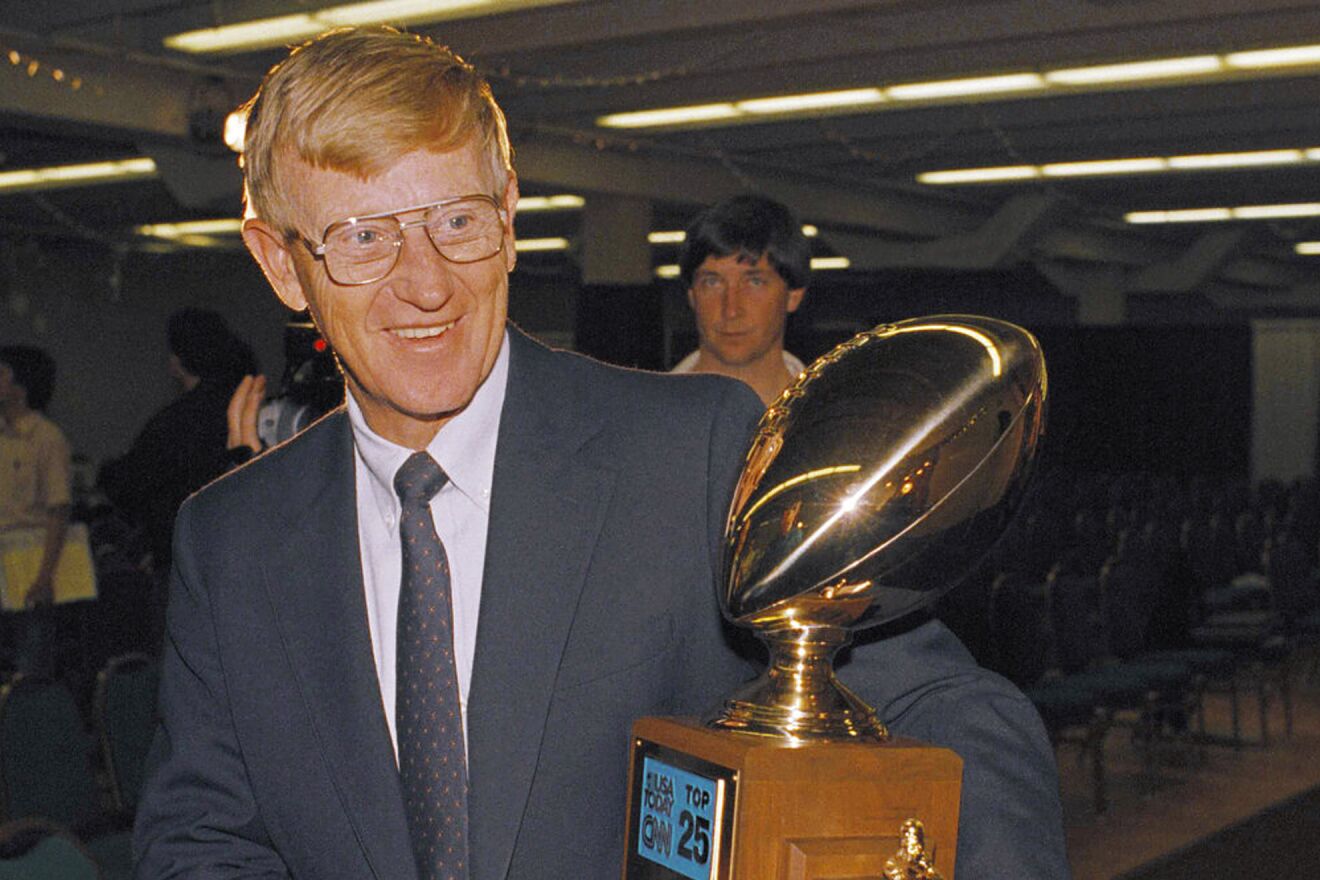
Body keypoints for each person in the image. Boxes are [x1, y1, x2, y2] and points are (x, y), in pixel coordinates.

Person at [133, 26, 1069, 880]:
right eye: (364, 239)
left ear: (507, 214)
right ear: (280, 263)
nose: (424, 285)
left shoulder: (693, 456)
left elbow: (949, 716)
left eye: (455, 220)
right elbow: (204, 839)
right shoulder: (230, 541)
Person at [97, 308, 258, 578]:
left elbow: (130, 481)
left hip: (182, 556)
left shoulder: (177, 421)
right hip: (237, 548)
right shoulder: (246, 404)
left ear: (178, 359)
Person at [671, 194, 809, 406]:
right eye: (712, 283)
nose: (731, 309)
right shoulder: (644, 420)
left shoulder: (836, 421)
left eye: (754, 282)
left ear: (793, 296)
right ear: (692, 296)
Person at [0, 346, 71, 674]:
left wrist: (44, 577)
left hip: (30, 567)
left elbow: (58, 511)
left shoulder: (47, 438)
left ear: (19, 384)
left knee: (30, 668)